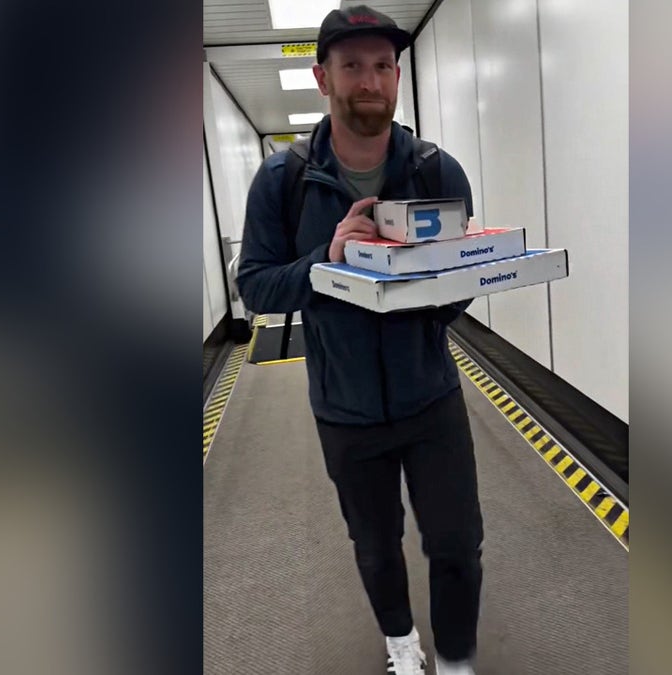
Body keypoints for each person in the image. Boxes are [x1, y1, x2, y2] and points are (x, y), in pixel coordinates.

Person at [235, 6, 484, 675]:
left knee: (457, 543)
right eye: (352, 66)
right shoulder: (283, 180)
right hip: (344, 409)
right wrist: (329, 259)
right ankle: (402, 646)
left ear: (397, 76)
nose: (369, 81)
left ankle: (456, 660)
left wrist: (430, 291)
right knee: (375, 545)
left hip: (431, 398)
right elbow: (256, 287)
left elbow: (461, 281)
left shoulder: (436, 170)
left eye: (382, 66)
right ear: (323, 78)